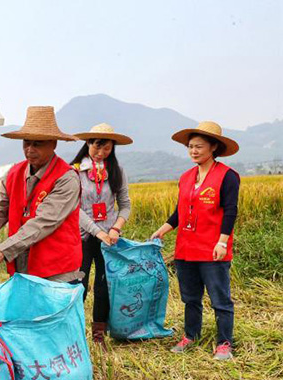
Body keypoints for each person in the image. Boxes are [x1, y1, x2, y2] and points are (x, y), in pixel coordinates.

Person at [151, 121, 240, 361]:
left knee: (220, 299)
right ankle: (191, 336)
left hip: (212, 249)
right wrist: (164, 229)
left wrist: (222, 242)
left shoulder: (228, 177)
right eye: (190, 146)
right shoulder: (186, 177)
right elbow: (180, 211)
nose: (193, 151)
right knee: (190, 298)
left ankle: (224, 343)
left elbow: (230, 211)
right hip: (186, 248)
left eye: (199, 146)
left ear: (214, 147)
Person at [0, 106, 83, 282]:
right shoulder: (13, 174)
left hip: (57, 272)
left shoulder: (66, 178)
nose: (30, 149)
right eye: (26, 143)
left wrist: (4, 249)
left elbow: (44, 222)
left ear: (53, 144)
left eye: (37, 144)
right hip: (22, 268)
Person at [70, 123, 133, 345]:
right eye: (97, 147)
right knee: (79, 284)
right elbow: (72, 208)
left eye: (106, 148)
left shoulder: (117, 171)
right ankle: (73, 333)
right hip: (82, 237)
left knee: (104, 285)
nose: (101, 153)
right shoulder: (75, 171)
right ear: (88, 144)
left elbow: (125, 205)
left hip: (109, 238)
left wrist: (115, 228)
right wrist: (97, 232)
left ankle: (99, 334)